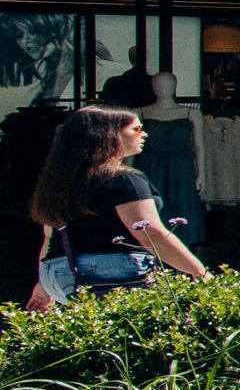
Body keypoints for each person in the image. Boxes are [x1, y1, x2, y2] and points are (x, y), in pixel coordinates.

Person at [25, 105, 210, 307]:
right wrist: (199, 271)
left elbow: (51, 234)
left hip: (59, 272)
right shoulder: (125, 180)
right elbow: (151, 234)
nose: (145, 134)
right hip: (108, 272)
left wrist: (43, 285)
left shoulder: (62, 180)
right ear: (110, 135)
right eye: (137, 129)